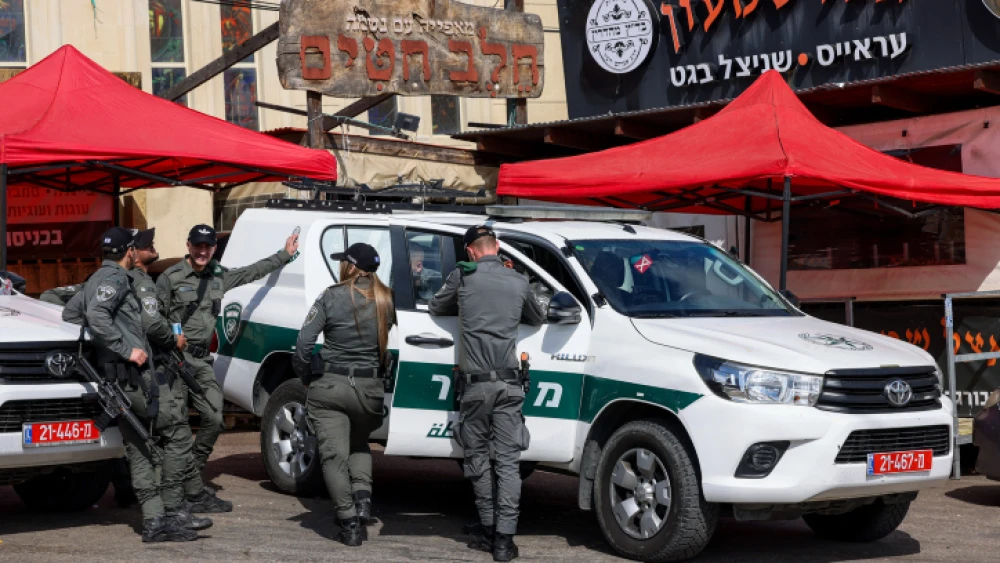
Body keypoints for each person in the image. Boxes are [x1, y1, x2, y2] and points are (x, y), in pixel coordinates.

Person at [81, 227, 208, 542]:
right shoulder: (118, 280)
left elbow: (75, 313)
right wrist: (125, 347)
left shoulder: (92, 281)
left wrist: (105, 348)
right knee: (177, 435)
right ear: (129, 252)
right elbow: (97, 316)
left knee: (139, 449)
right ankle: (174, 510)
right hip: (136, 377)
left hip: (116, 381)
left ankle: (153, 523)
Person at [429, 225, 547, 562]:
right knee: (508, 463)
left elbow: (437, 308)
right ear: (496, 246)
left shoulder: (463, 278)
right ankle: (505, 542)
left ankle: (487, 528)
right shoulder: (519, 279)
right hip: (510, 386)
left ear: (470, 251)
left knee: (478, 458)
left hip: (476, 387)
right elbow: (537, 317)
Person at [156, 224, 298, 503]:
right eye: (197, 246)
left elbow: (252, 271)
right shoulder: (170, 277)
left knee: (214, 418)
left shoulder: (218, 275)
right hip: (173, 360)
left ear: (213, 249)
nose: (202, 251)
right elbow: (153, 318)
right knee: (176, 425)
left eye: (208, 247)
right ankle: (180, 485)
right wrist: (173, 334)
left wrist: (284, 255)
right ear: (188, 245)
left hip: (201, 361)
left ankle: (192, 471)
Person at [292, 243, 395, 547]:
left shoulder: (331, 295)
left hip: (331, 388)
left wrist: (306, 376)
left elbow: (303, 345)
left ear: (350, 267)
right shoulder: (387, 299)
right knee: (359, 442)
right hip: (370, 390)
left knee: (334, 456)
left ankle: (349, 523)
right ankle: (363, 500)